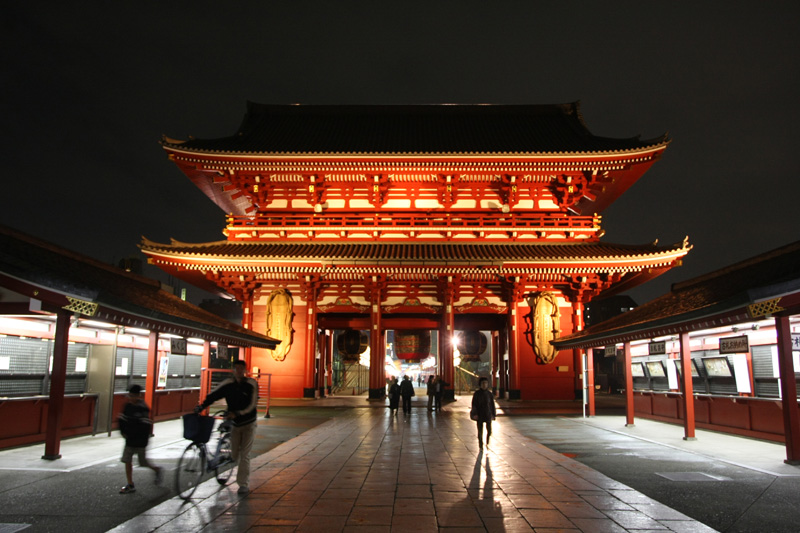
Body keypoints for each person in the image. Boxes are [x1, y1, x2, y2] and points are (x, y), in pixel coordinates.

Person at [195, 359, 259, 495]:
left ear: (245, 370)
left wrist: (238, 413)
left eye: (241, 368)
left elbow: (252, 405)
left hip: (249, 423)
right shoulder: (228, 384)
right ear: (233, 370)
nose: (239, 371)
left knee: (245, 454)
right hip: (234, 424)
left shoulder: (251, 384)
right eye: (236, 368)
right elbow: (214, 395)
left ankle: (243, 484)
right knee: (235, 455)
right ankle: (229, 461)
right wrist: (202, 406)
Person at [118, 384, 163, 494]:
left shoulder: (143, 408)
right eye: (130, 395)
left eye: (133, 396)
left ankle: (157, 470)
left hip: (140, 440)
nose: (131, 398)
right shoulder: (127, 406)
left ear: (139, 395)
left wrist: (143, 438)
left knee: (143, 462)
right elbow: (121, 420)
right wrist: (123, 432)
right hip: (129, 439)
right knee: (127, 460)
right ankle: (130, 484)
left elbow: (146, 425)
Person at [471, 377, 496, 449]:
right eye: (483, 383)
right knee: (480, 431)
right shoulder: (477, 394)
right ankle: (480, 444)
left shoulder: (489, 394)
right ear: (480, 384)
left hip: (488, 414)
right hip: (480, 414)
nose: (484, 385)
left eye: (486, 383)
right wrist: (475, 414)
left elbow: (492, 405)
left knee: (489, 430)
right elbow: (474, 404)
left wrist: (493, 414)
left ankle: (487, 441)